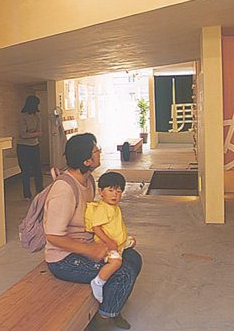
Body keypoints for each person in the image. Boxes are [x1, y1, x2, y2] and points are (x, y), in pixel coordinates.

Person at [44, 133, 142, 331]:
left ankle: (111, 308)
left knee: (134, 258)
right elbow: (52, 236)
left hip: (87, 243)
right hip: (63, 258)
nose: (99, 153)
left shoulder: (88, 180)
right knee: (122, 273)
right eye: (96, 151)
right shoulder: (64, 190)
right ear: (86, 161)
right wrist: (89, 249)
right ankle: (103, 319)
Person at [85, 171, 136, 304]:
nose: (115, 195)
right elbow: (96, 228)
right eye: (111, 190)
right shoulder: (103, 208)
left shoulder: (113, 206)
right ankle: (98, 281)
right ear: (101, 192)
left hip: (117, 240)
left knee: (133, 242)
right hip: (106, 244)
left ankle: (123, 245)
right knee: (116, 262)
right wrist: (109, 242)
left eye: (119, 191)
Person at [17, 95, 43, 200]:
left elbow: (40, 132)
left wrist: (31, 133)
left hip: (35, 145)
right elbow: (22, 134)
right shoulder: (22, 117)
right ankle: (27, 194)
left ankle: (40, 190)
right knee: (25, 171)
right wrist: (34, 133)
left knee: (38, 169)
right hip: (23, 147)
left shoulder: (37, 117)